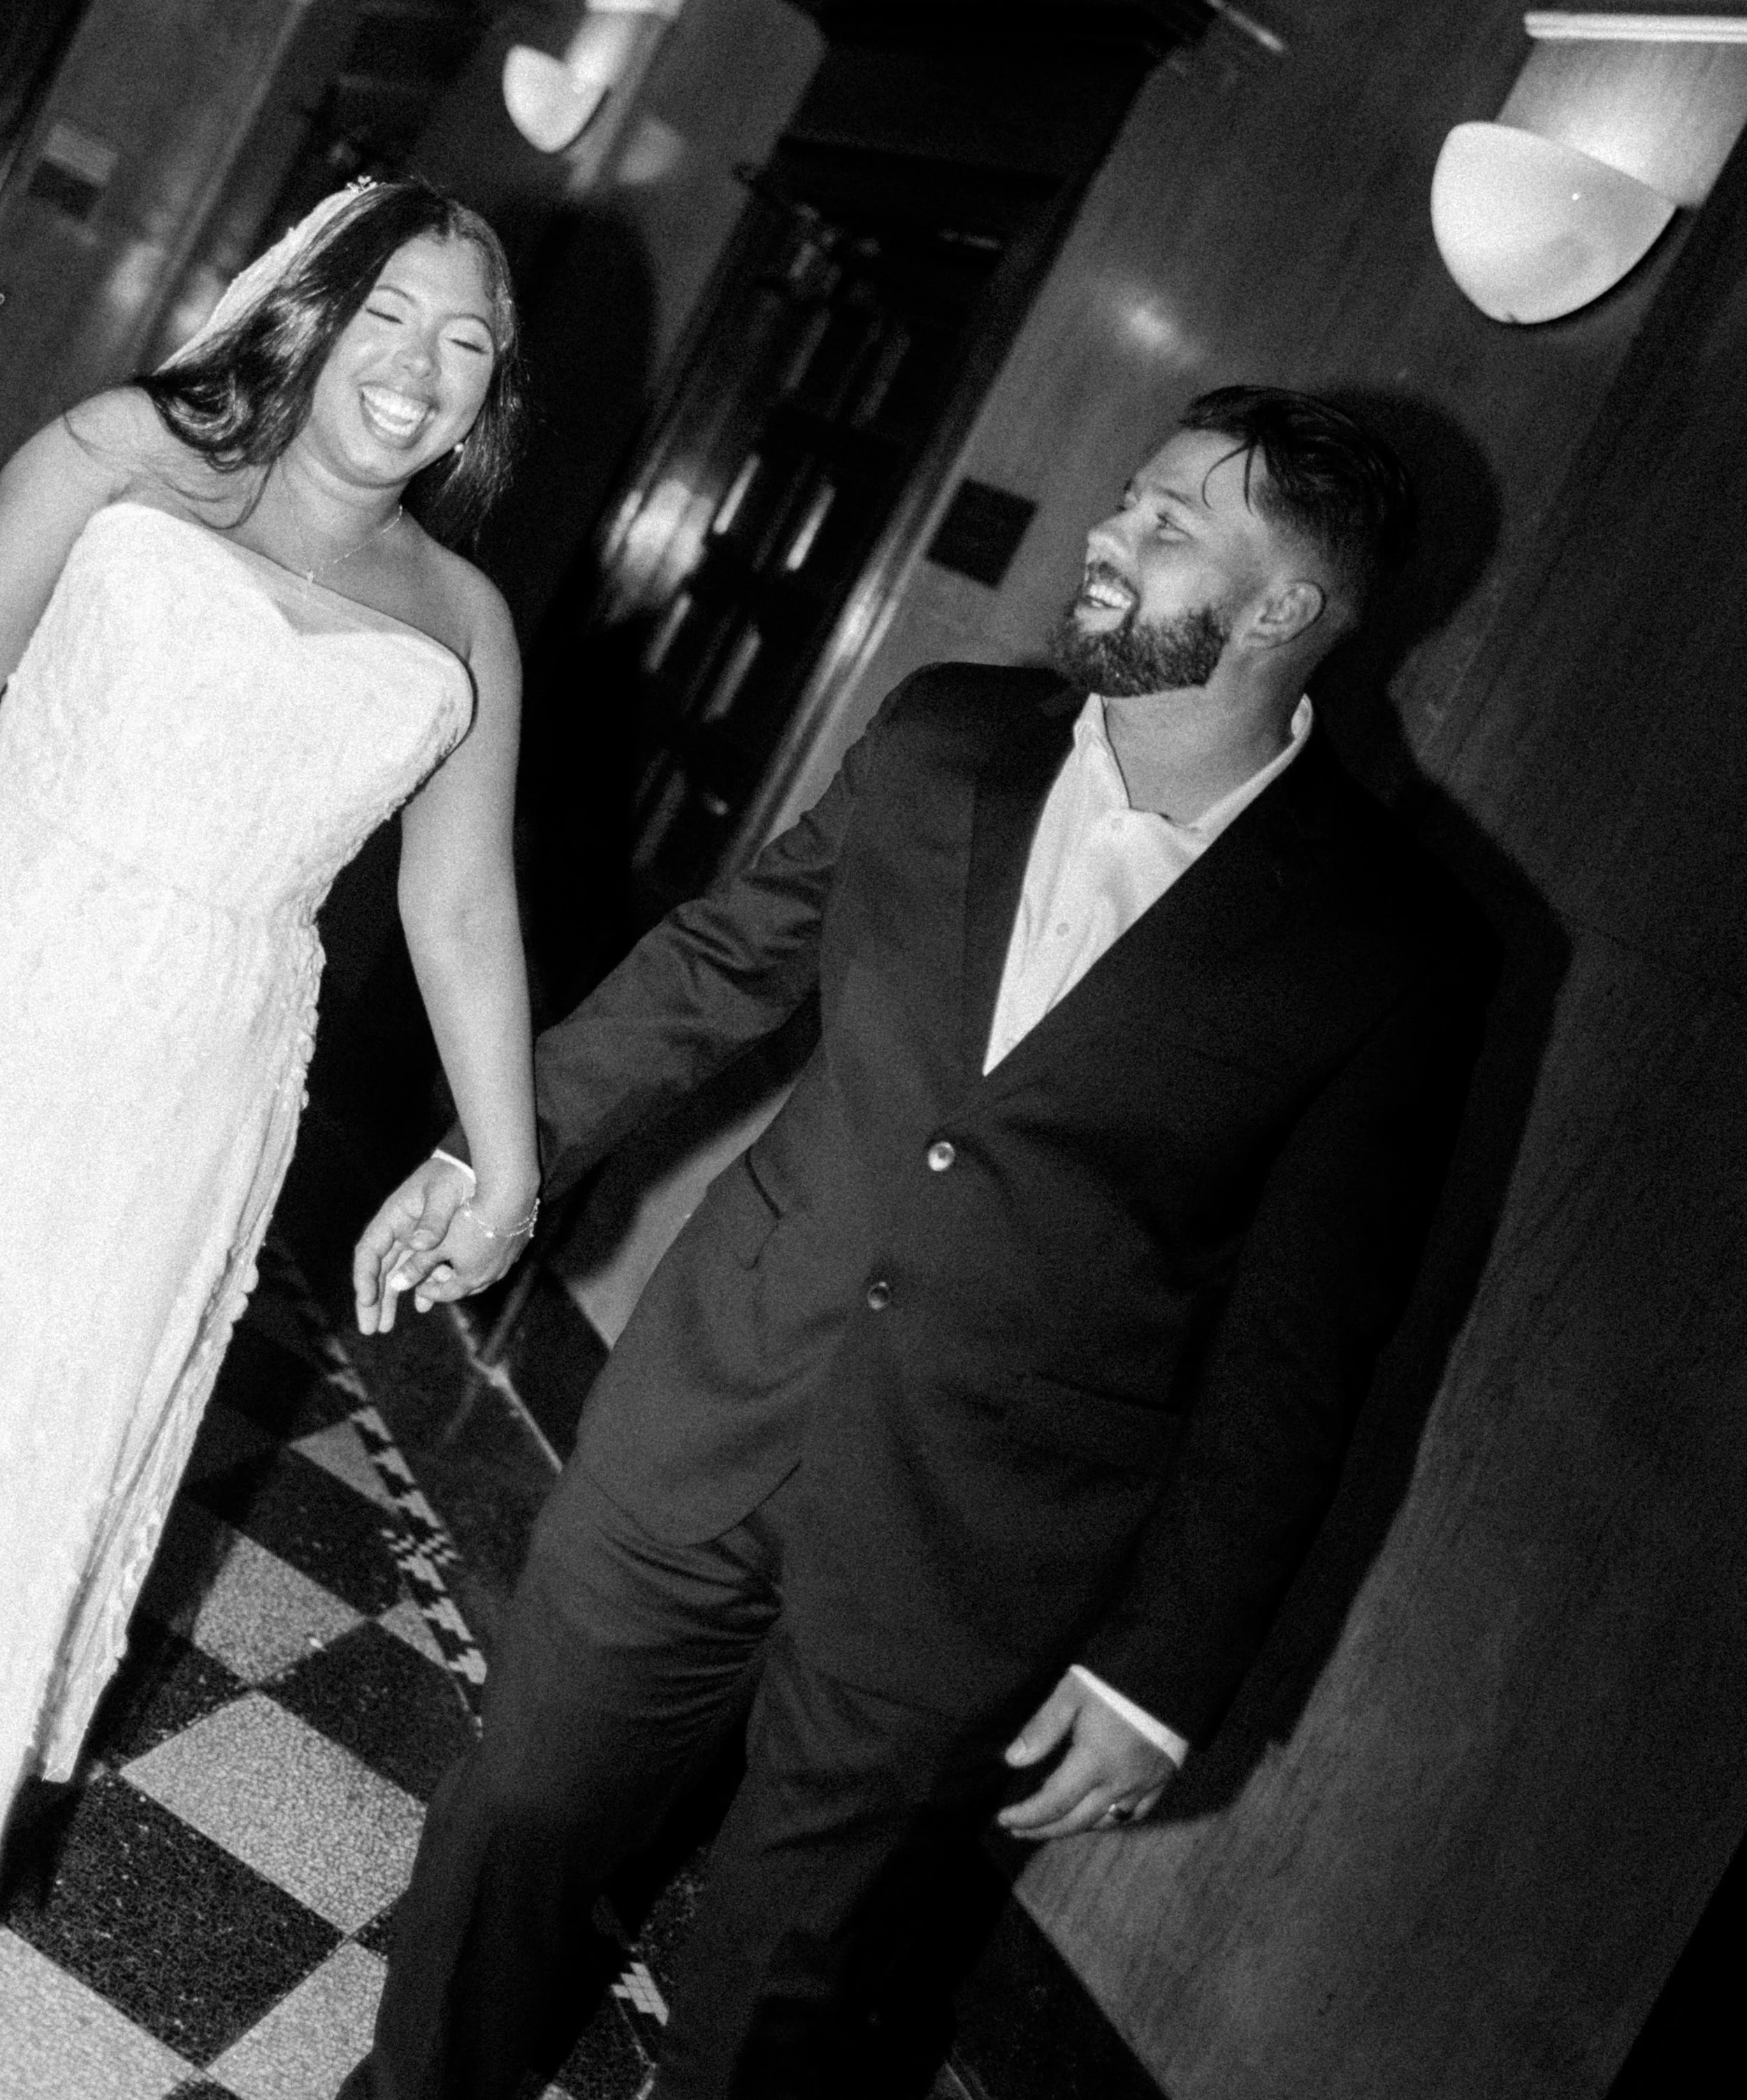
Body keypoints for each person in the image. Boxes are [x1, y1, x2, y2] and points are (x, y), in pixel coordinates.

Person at [349, 385, 1497, 2100]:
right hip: (715, 1399)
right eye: (1126, 498)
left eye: (1168, 524)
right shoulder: (945, 734)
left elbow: (1304, 1348)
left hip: (980, 1542)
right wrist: (494, 1152)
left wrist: (1162, 1675)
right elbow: (718, 965)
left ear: (1279, 613)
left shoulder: (1391, 944)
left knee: (784, 1978)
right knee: (514, 1822)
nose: (1107, 536)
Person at [0, 179, 541, 1844]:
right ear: (308, 306)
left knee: (47, 1413)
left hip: (194, 1071)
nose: (416, 367)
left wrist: (504, 1165)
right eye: (386, 312)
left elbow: (456, 908)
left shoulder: (466, 621)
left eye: (464, 342)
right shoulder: (128, 453)